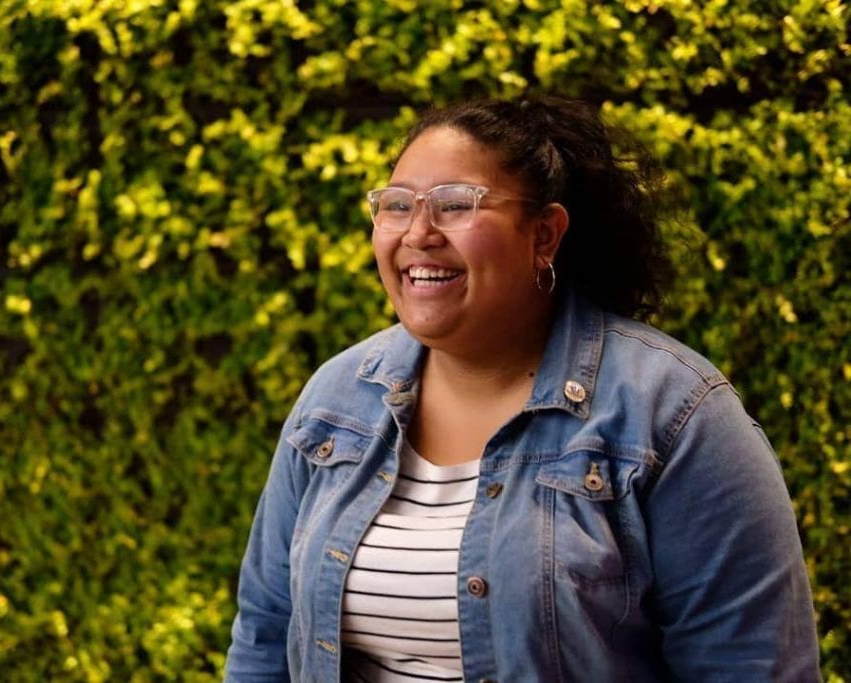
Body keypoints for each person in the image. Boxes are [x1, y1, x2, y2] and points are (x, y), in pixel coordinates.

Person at [224, 95, 820, 682]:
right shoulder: (337, 399)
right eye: (397, 205)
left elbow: (751, 665)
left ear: (544, 234)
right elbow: (265, 635)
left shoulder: (674, 414)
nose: (419, 233)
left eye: (457, 205)